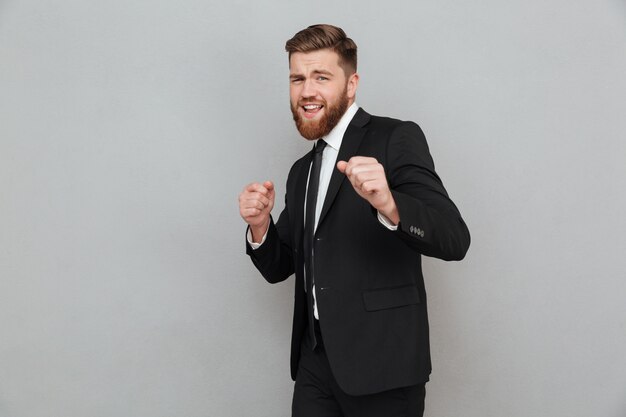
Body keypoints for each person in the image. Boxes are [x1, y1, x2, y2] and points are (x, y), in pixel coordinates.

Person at [238, 24, 470, 417]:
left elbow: (454, 239)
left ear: (351, 84)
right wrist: (261, 227)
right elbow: (284, 266)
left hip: (384, 366)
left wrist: (389, 203)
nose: (306, 91)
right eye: (297, 78)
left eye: (321, 77)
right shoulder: (301, 171)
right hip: (315, 365)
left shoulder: (396, 138)